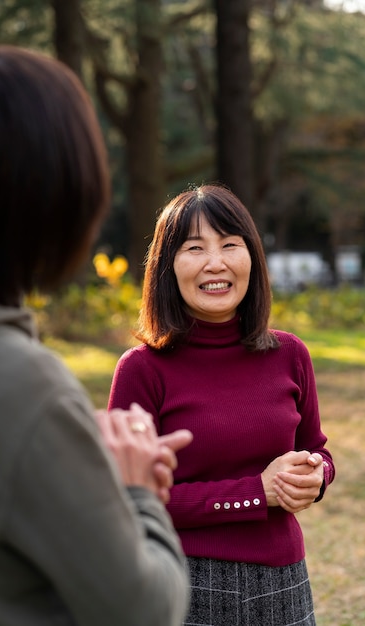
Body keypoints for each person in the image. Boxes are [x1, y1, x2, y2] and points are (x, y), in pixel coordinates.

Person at [0, 44, 193, 626]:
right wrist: (137, 491)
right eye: (193, 246)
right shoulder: (22, 383)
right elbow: (143, 610)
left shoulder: (288, 355)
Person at [108, 184, 336, 626]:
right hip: (182, 581)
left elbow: (319, 451)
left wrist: (316, 475)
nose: (216, 263)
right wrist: (255, 494)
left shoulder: (290, 354)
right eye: (195, 248)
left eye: (230, 244)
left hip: (285, 580)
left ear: (251, 257)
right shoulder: (142, 369)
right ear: (167, 266)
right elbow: (128, 500)